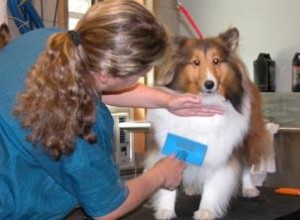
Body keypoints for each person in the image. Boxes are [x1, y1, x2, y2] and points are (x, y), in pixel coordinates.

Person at [0, 0, 222, 219]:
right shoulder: (76, 127)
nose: (140, 79)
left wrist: (166, 100)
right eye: (141, 73)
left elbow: (95, 85)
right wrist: (160, 174)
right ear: (109, 74)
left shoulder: (51, 42)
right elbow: (108, 209)